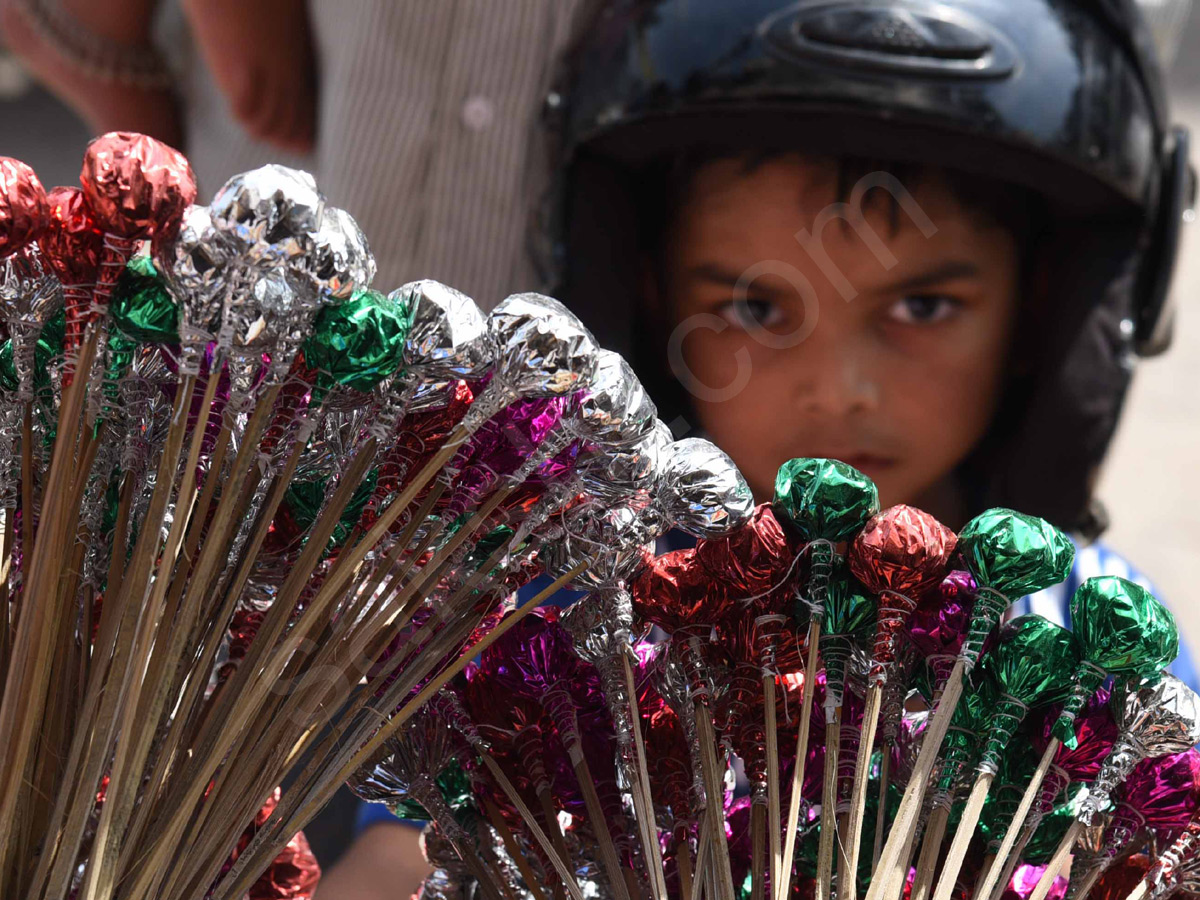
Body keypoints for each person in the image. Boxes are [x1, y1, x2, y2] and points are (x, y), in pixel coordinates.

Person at [543, 0, 1200, 682]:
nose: (838, 391)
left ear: (1037, 313)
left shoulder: (1108, 651)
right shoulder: (571, 625)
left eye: (922, 306)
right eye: (755, 308)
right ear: (650, 304)